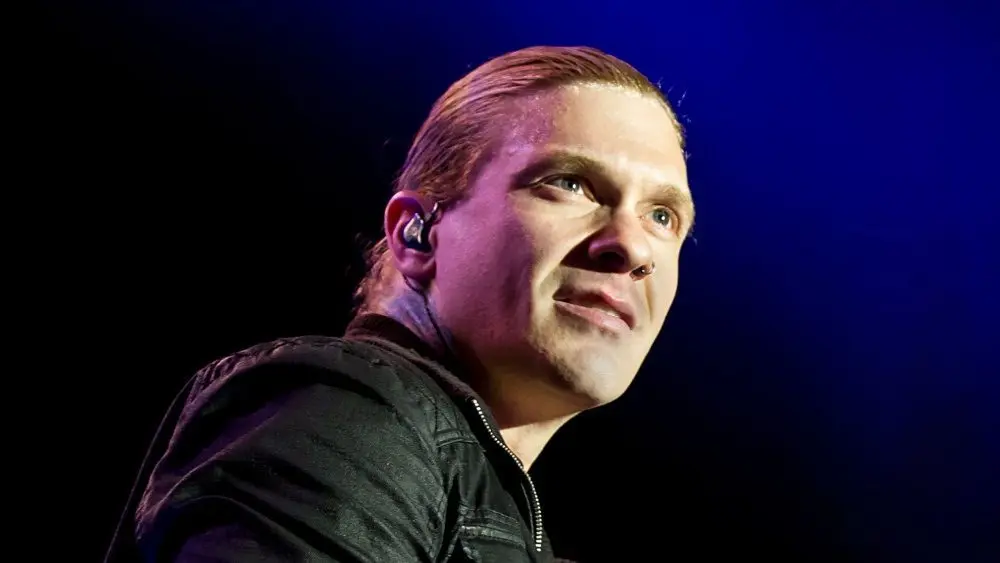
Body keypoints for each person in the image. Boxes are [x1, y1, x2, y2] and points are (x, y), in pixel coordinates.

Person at [134, 45, 695, 562]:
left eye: (662, 216)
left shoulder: (482, 510)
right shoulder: (341, 413)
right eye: (569, 183)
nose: (632, 245)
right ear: (416, 235)